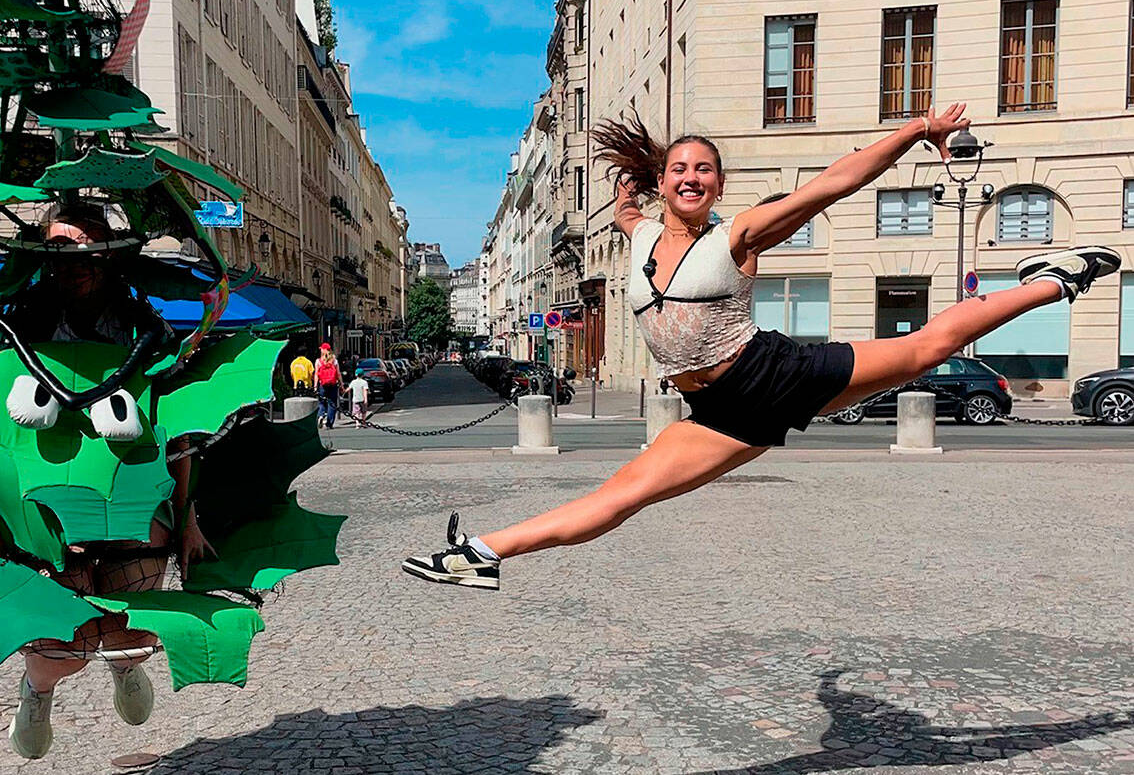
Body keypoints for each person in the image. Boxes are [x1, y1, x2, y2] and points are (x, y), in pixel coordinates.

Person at [402, 105, 1120, 590]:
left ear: (717, 185)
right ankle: (483, 555)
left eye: (704, 170)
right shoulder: (637, 232)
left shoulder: (737, 235)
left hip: (770, 371)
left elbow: (838, 182)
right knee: (621, 496)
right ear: (661, 182)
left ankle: (1060, 280)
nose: (690, 177)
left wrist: (915, 131)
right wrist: (628, 180)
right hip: (715, 408)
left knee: (929, 348)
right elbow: (623, 203)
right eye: (679, 169)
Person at [0, 204, 217, 758]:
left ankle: (126, 669)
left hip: (131, 506)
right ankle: (37, 691)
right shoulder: (15, 328)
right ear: (46, 261)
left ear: (109, 257)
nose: (78, 265)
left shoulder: (147, 331)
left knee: (129, 635)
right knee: (54, 646)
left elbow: (179, 435)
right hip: (42, 512)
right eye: (64, 254)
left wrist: (187, 520)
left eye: (89, 253)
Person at [314, 343, 343, 430]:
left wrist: (315, 386)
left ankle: (321, 415)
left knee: (322, 402)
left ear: (324, 350)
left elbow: (316, 374)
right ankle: (329, 423)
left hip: (323, 384)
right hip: (333, 384)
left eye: (321, 349)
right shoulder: (334, 361)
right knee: (332, 403)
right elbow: (338, 373)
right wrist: (341, 384)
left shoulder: (318, 361)